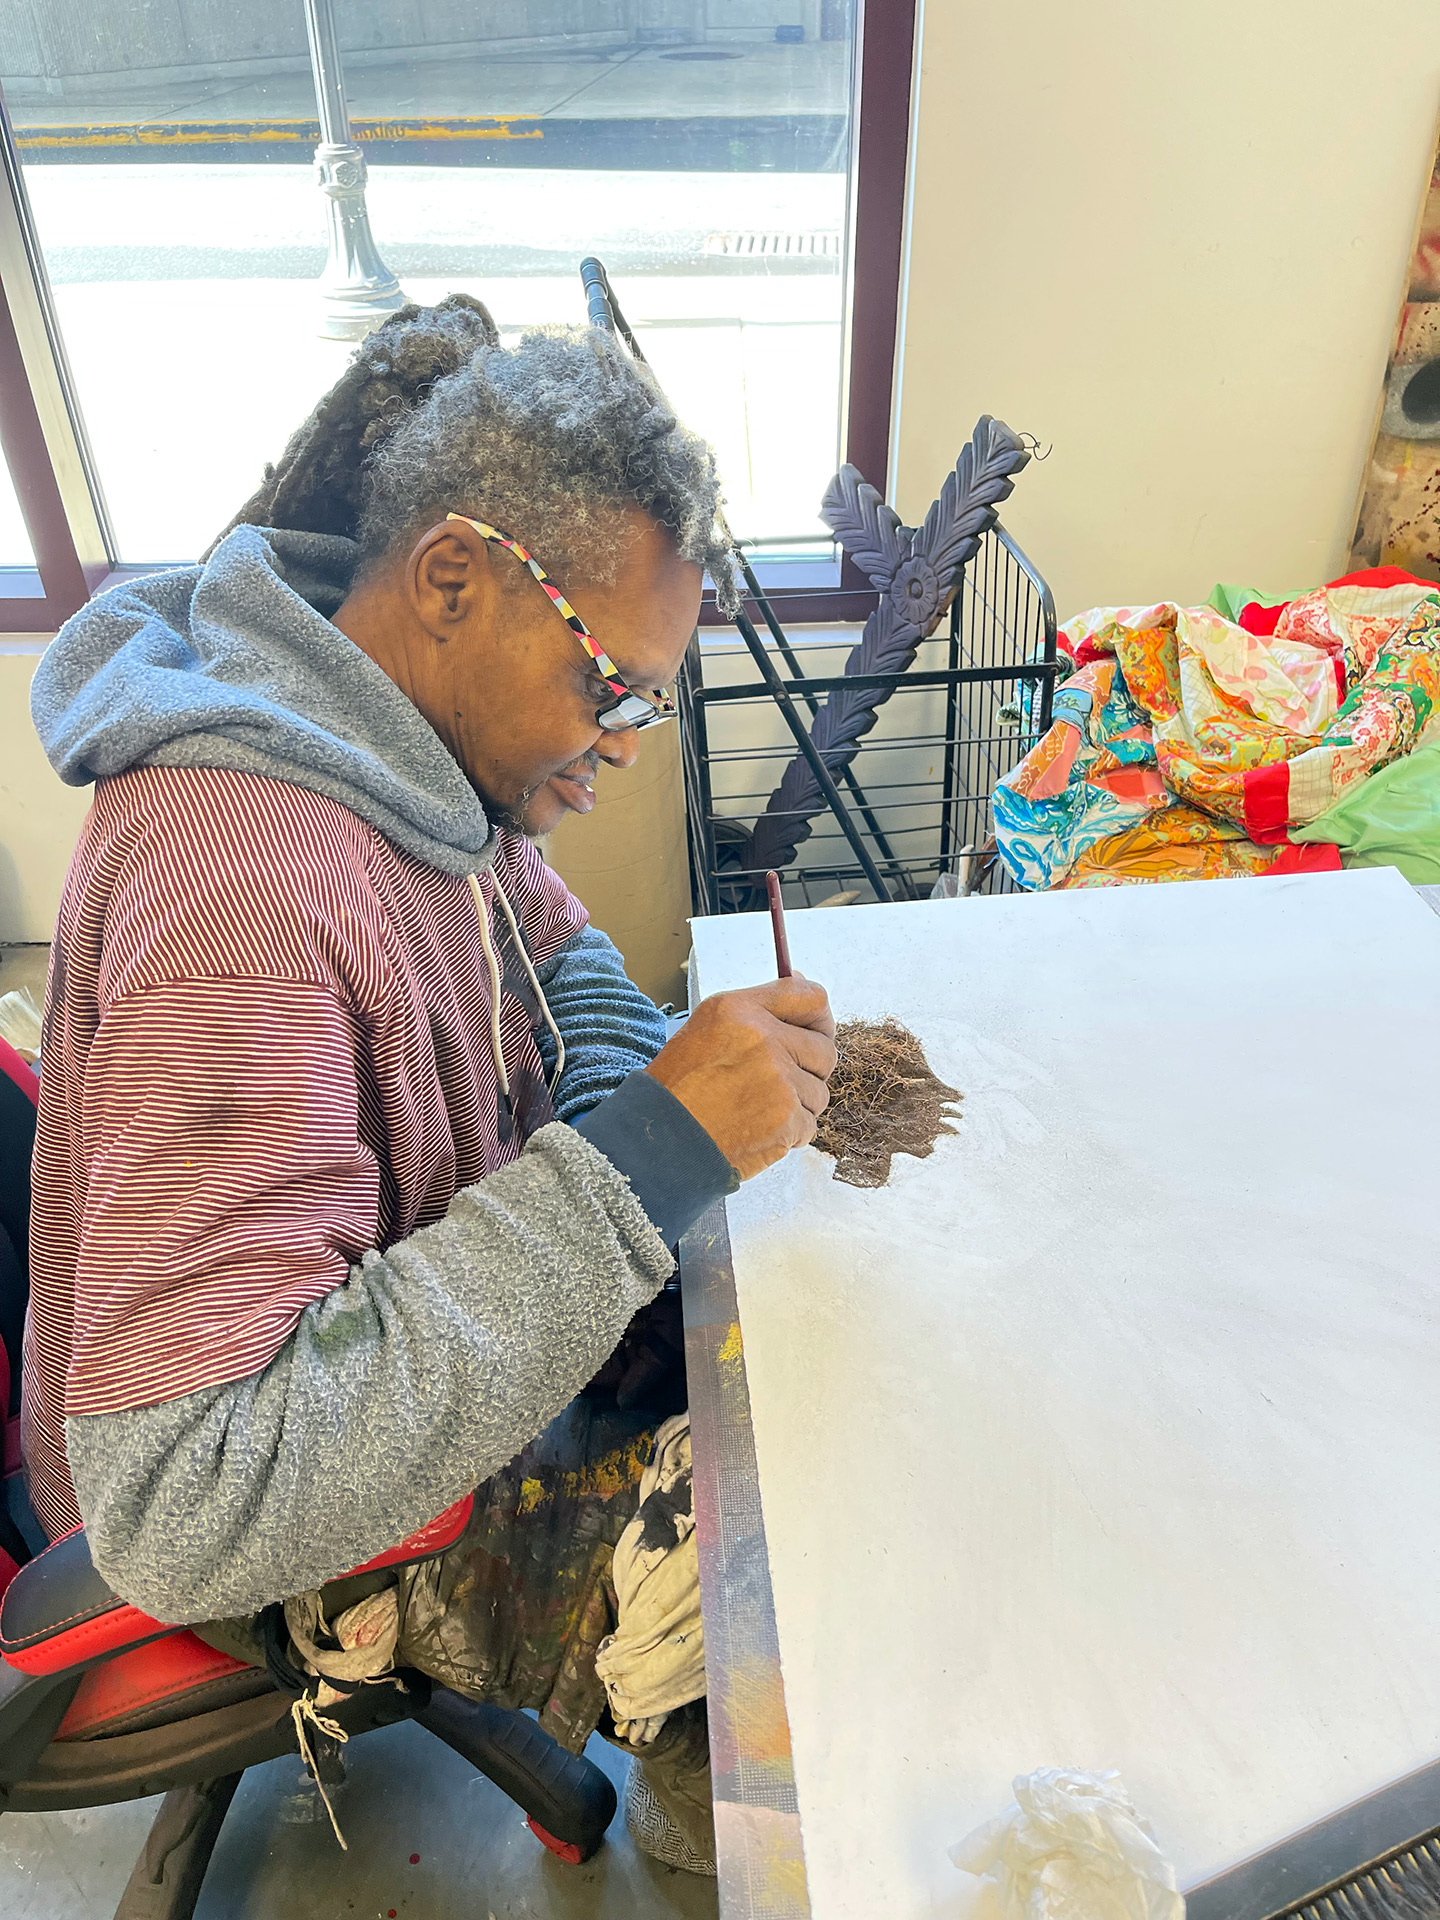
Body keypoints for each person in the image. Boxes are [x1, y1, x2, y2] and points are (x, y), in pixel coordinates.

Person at [24, 295, 836, 1868]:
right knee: (778, 1581)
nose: (624, 740)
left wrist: (625, 1120)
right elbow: (189, 1501)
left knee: (793, 1344)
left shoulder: (392, 733)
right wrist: (647, 1162)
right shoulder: (246, 887)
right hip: (272, 1530)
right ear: (455, 576)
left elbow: (563, 945)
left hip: (369, 1337)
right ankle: (698, 1794)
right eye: (613, 682)